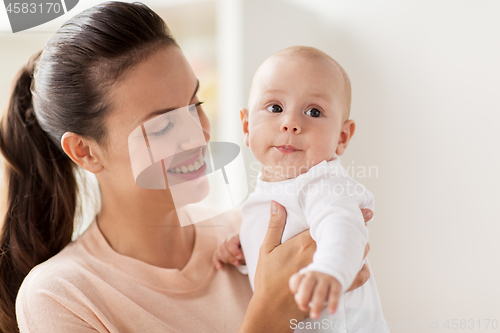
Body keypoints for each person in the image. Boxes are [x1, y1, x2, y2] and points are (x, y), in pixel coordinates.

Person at [0, 2, 372, 332]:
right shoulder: (61, 296)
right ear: (85, 151)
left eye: (195, 104)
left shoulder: (252, 234)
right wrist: (270, 316)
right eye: (162, 126)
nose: (198, 136)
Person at [213, 47, 388, 332]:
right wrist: (244, 247)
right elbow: (277, 258)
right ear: (246, 126)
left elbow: (342, 228)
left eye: (314, 112)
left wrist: (329, 270)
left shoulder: (324, 183)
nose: (291, 123)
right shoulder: (270, 191)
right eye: (275, 108)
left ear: (342, 137)